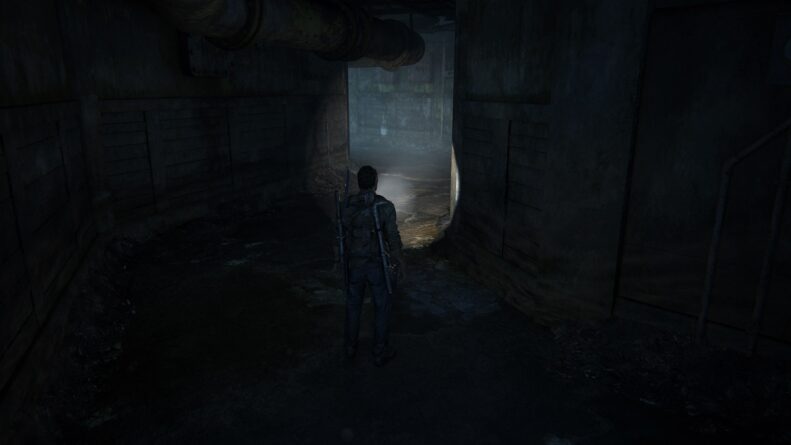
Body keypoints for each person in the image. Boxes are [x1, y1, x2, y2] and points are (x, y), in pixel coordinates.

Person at [342, 165, 404, 367]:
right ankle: (379, 350)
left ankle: (350, 347)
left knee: (353, 306)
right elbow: (392, 238)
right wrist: (398, 260)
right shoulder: (385, 207)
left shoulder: (347, 205)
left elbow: (343, 233)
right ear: (376, 183)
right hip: (377, 264)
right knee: (382, 307)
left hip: (355, 263)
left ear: (358, 182)